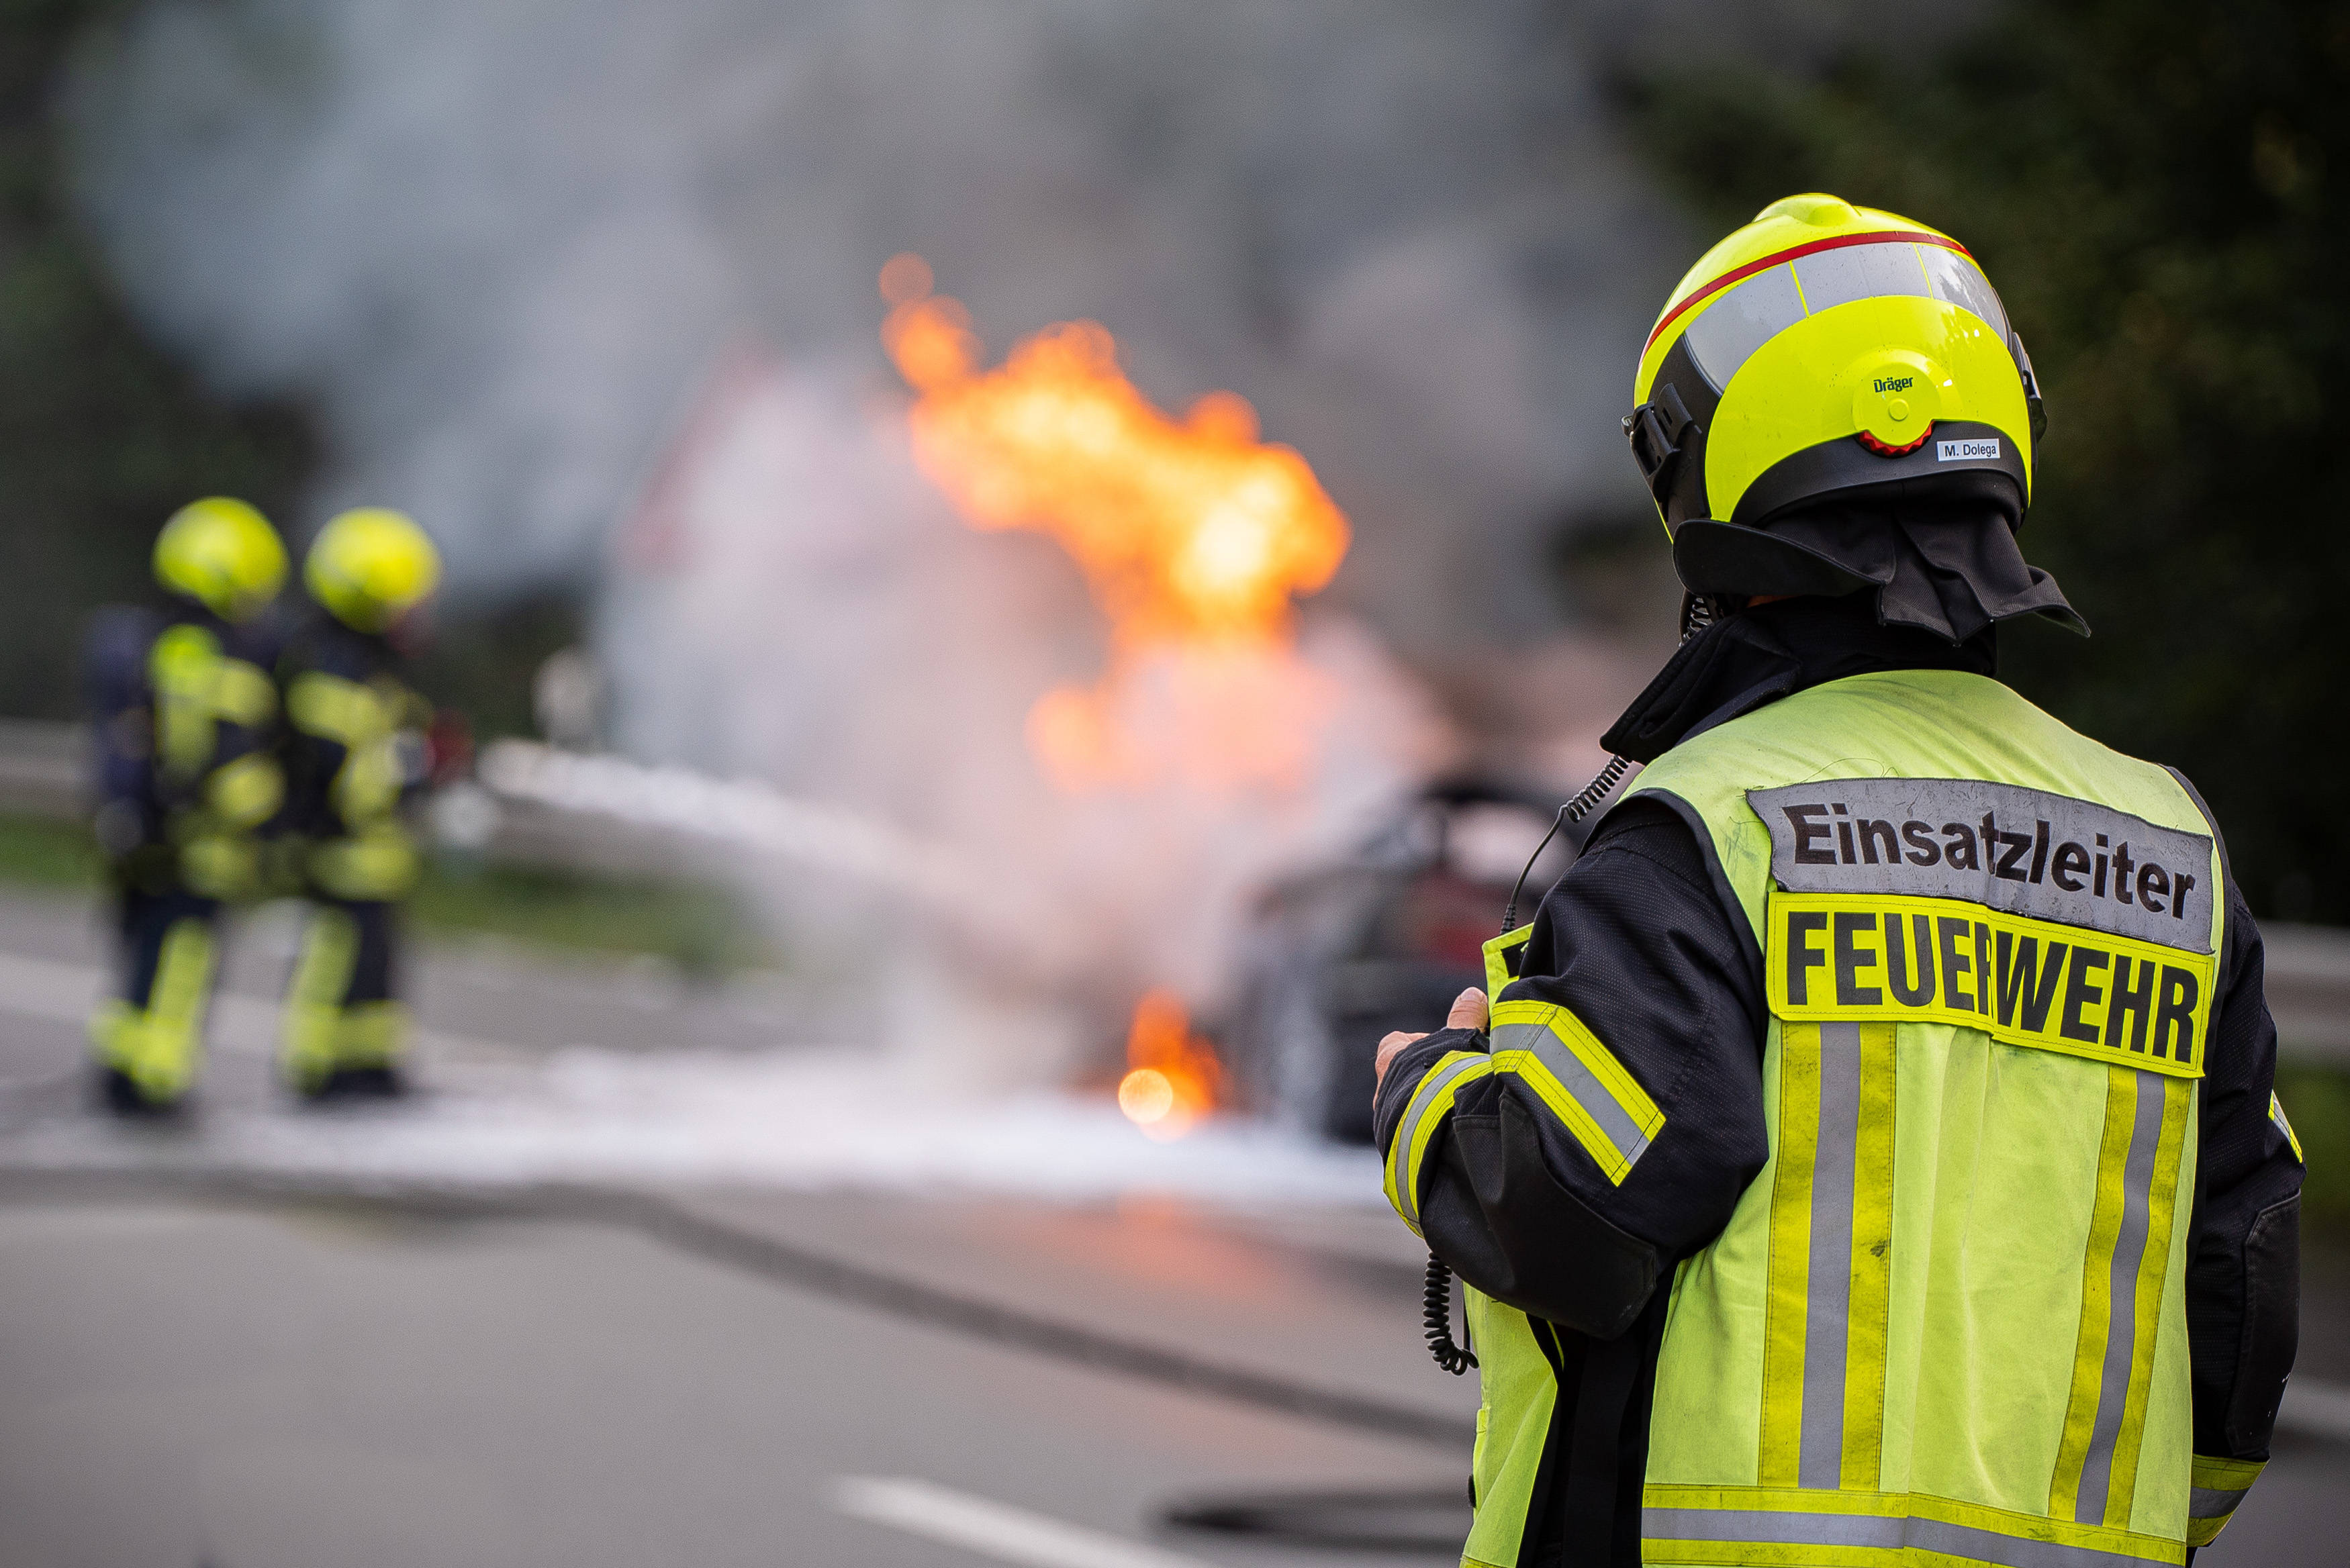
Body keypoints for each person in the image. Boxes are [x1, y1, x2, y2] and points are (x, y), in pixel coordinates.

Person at [1373, 195, 2302, 1568]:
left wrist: (1424, 1097)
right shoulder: (2166, 845)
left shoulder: (1705, 828)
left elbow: (1574, 1210)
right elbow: (2244, 1285)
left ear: (1703, 469)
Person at [86, 498, 289, 1113]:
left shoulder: (160, 645)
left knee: (143, 965)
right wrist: (277, 804)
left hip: (152, 843)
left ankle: (124, 1073)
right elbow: (214, 770)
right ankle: (154, 1086)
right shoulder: (215, 662)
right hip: (195, 851)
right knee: (179, 968)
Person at [272, 507, 440, 1098]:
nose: (414, 615)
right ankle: (317, 1071)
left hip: (373, 862)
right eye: (404, 601)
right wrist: (408, 769)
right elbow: (339, 776)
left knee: (375, 976)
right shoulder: (331, 673)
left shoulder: (367, 672)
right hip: (338, 858)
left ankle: (371, 1070)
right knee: (332, 966)